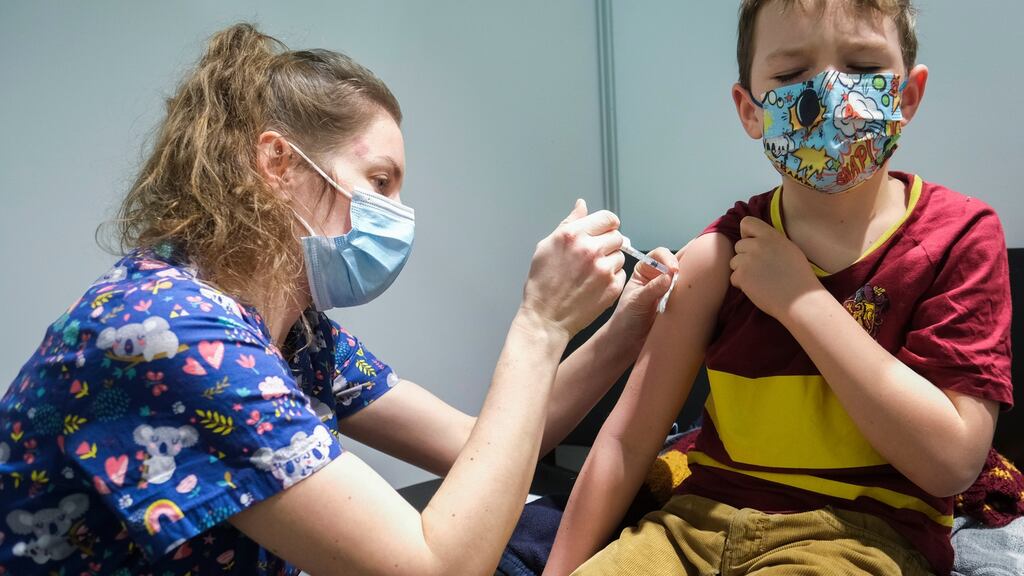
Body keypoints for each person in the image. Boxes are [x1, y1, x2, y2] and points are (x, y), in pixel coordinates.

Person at [0, 23, 679, 576]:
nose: (398, 214)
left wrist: (627, 323)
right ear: (278, 164)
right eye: (380, 182)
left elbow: (483, 447)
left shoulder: (291, 334)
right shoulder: (167, 332)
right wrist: (539, 323)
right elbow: (436, 569)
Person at [544, 1, 1013, 574]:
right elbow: (626, 442)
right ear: (750, 110)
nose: (832, 96)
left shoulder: (960, 238)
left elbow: (953, 462)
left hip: (861, 537)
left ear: (907, 96)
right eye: (791, 76)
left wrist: (802, 301)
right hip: (693, 524)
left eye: (864, 68)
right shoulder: (717, 254)